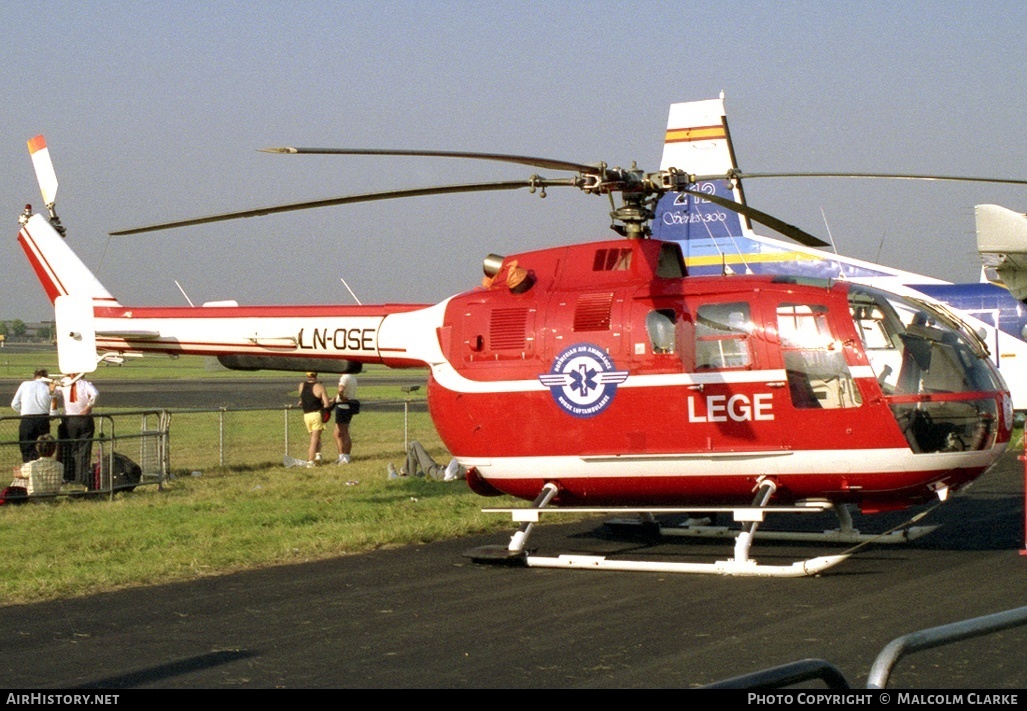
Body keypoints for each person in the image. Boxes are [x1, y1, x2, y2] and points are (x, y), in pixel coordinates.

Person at [55, 375, 99, 486]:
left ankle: (68, 477)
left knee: (68, 449)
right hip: (84, 419)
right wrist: (88, 407)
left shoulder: (65, 383)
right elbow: (95, 394)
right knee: (83, 451)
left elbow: (54, 393)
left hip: (69, 419)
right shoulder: (85, 384)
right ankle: (81, 479)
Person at [10, 369, 56, 463]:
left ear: (34, 377)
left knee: (26, 447)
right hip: (43, 419)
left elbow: (14, 404)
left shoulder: (25, 384)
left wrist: (23, 411)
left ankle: (28, 468)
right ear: (46, 378)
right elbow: (53, 408)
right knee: (43, 448)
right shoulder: (48, 389)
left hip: (27, 420)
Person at [387, 441, 464, 482]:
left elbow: (450, 474)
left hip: (440, 473)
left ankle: (396, 476)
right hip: (444, 470)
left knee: (414, 445)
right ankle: (405, 472)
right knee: (419, 471)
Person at [297, 372, 330, 467]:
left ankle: (318, 455)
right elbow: (326, 404)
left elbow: (305, 399)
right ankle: (310, 461)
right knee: (314, 439)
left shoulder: (301, 385)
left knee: (316, 437)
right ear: (316, 375)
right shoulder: (320, 387)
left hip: (306, 415)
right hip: (316, 415)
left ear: (307, 375)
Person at [333, 373, 358, 464]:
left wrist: (342, 397)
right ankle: (342, 456)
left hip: (343, 407)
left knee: (344, 433)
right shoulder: (352, 377)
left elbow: (341, 390)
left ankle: (346, 456)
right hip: (349, 407)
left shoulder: (344, 377)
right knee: (337, 433)